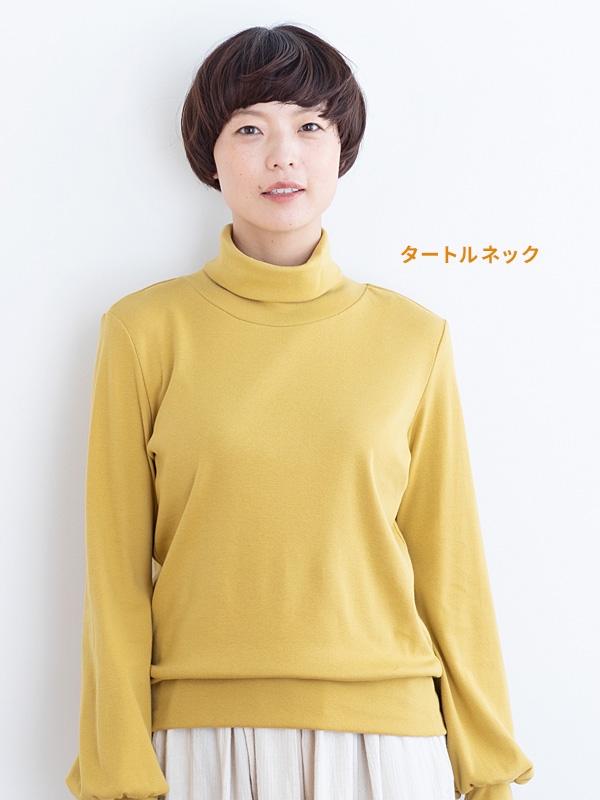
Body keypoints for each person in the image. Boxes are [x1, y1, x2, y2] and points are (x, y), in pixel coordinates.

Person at [65, 23, 535, 800]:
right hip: (202, 739)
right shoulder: (143, 331)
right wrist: (118, 770)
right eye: (250, 129)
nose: (283, 155)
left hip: (392, 745)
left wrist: (486, 770)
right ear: (209, 156)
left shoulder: (413, 337)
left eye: (310, 126)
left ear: (341, 148)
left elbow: (451, 566)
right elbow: (113, 574)